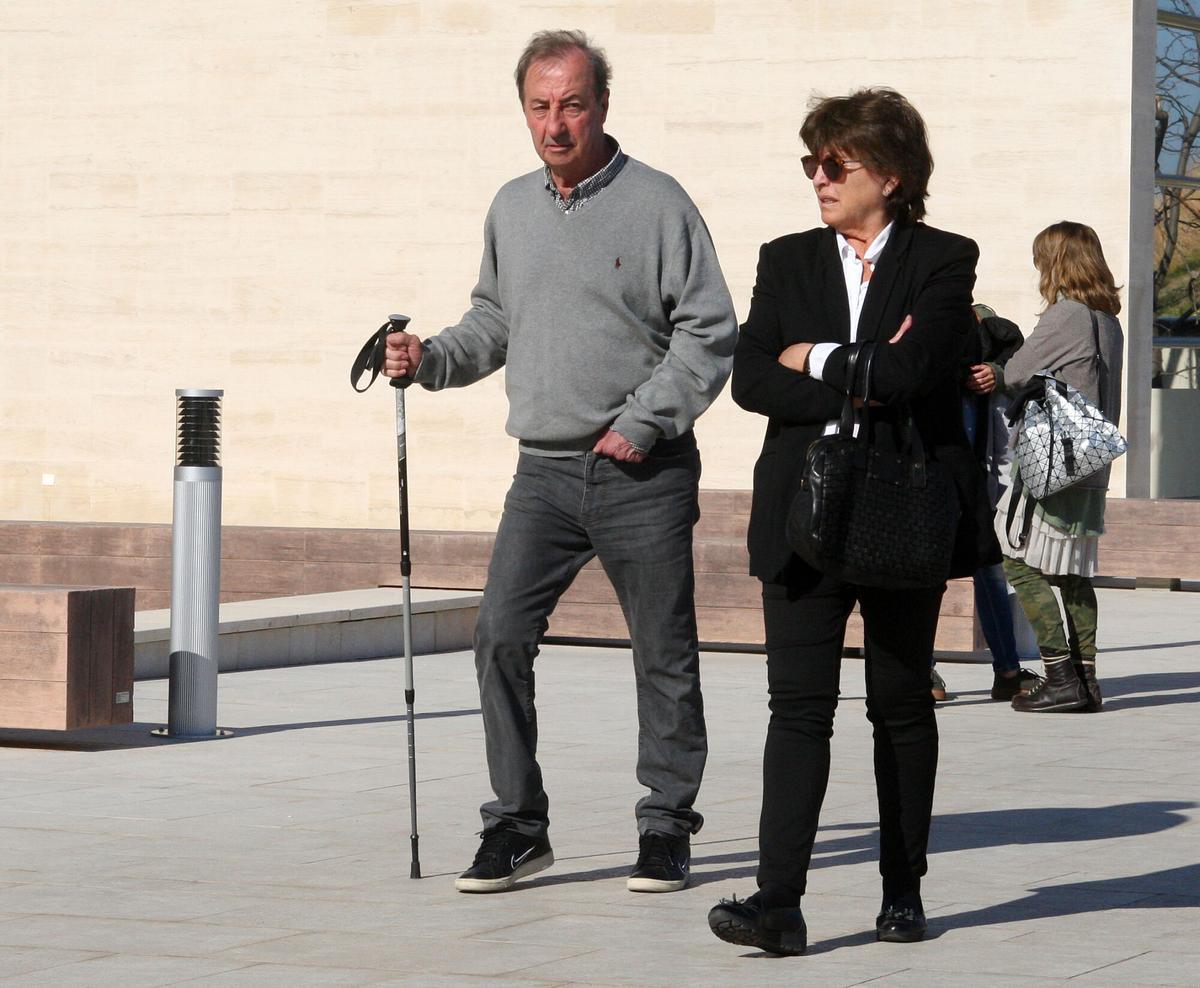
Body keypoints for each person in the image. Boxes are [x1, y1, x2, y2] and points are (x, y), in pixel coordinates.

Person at [382, 30, 737, 894]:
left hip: (641, 473)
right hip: (540, 473)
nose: (556, 124)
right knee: (498, 634)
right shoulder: (511, 208)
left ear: (603, 106)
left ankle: (665, 825)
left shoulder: (659, 203)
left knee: (663, 651)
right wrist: (426, 356)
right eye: (540, 107)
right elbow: (494, 323)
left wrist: (646, 421)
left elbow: (710, 331)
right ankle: (518, 824)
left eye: (572, 104)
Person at [707, 88, 993, 955]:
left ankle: (903, 893)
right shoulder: (787, 258)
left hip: (902, 507)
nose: (819, 178)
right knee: (797, 710)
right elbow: (751, 377)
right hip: (803, 509)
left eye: (838, 164)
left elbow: (911, 372)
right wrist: (860, 370)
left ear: (893, 177)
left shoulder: (944, 258)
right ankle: (778, 904)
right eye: (812, 163)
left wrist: (821, 356)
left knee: (900, 706)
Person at [989, 222, 1124, 714]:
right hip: (1091, 463)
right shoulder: (1106, 318)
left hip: (1051, 462)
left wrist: (995, 367)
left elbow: (1018, 372)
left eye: (1041, 258)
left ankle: (1059, 675)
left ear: (1058, 261)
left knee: (1017, 561)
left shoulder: (1065, 314)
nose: (1037, 268)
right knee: (1072, 573)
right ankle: (1087, 682)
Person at [963, 304, 1043, 702]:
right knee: (987, 571)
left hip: (971, 479)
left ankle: (1007, 670)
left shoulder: (990, 338)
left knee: (987, 570)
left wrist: (996, 374)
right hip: (969, 480)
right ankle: (1007, 670)